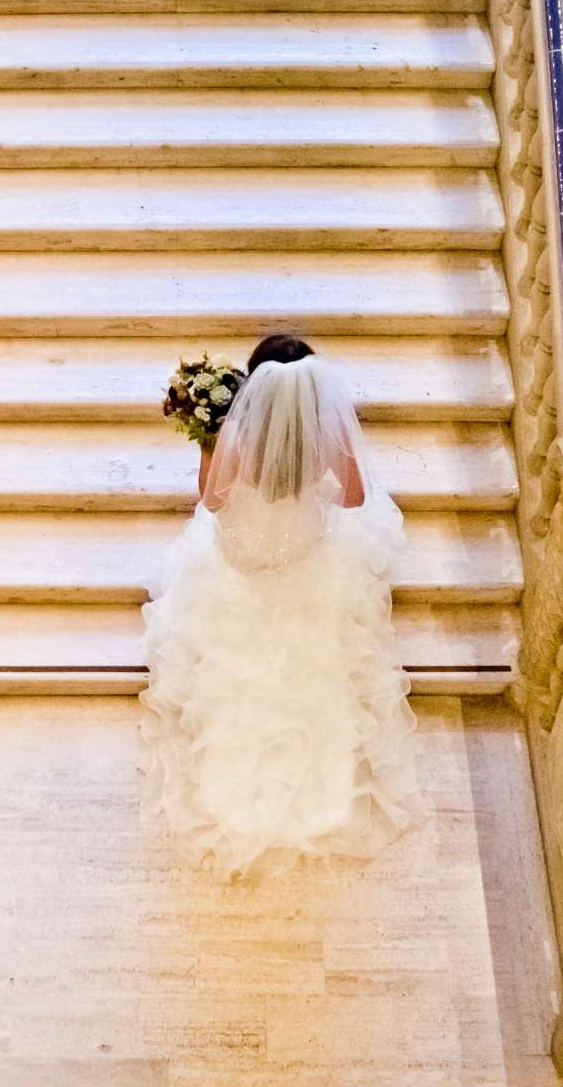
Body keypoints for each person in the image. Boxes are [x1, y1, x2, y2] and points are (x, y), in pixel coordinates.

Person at [139, 335, 423, 876]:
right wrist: (310, 500)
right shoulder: (325, 433)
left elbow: (213, 501)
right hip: (301, 558)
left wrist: (206, 445)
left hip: (243, 562)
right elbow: (356, 497)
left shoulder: (237, 434)